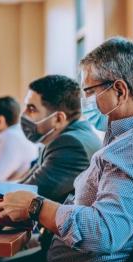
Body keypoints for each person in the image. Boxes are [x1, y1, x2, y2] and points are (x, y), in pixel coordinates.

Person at [0, 37, 133, 262]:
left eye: (90, 92)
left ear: (120, 90)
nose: (85, 103)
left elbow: (104, 232)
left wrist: (36, 207)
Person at [20, 75, 102, 203]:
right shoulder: (67, 137)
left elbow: (21, 197)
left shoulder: (70, 146)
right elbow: (21, 186)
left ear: (58, 119)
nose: (23, 114)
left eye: (31, 109)